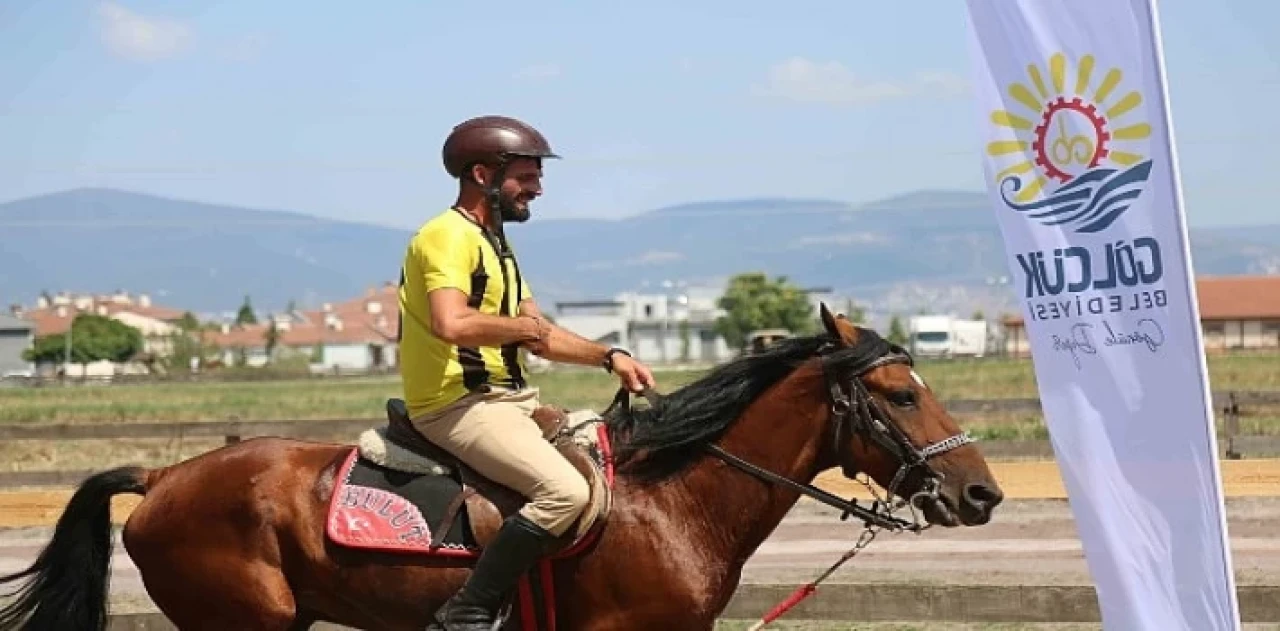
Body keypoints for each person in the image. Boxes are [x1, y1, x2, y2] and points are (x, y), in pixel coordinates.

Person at [397, 114, 657, 630]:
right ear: (480, 175)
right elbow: (453, 322)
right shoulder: (446, 237)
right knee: (566, 492)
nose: (537, 189)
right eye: (526, 176)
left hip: (507, 403)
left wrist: (609, 358)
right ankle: (467, 610)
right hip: (459, 408)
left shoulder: (496, 244)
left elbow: (538, 331)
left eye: (538, 177)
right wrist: (521, 329)